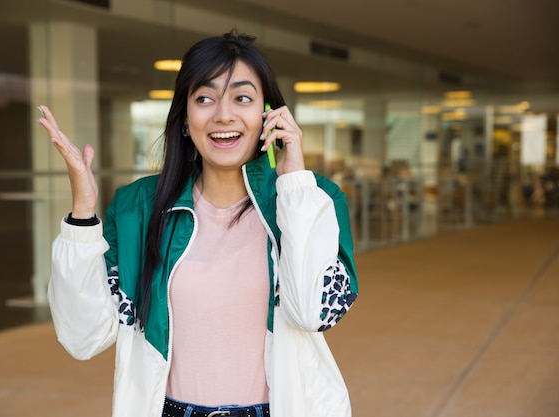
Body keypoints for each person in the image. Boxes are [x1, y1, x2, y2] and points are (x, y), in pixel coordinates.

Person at [37, 30, 358, 417]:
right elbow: (82, 336)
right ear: (186, 120)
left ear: (268, 114)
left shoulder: (312, 199)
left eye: (242, 98)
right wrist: (83, 214)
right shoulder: (139, 207)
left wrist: (293, 181)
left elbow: (314, 312)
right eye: (205, 99)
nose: (224, 115)